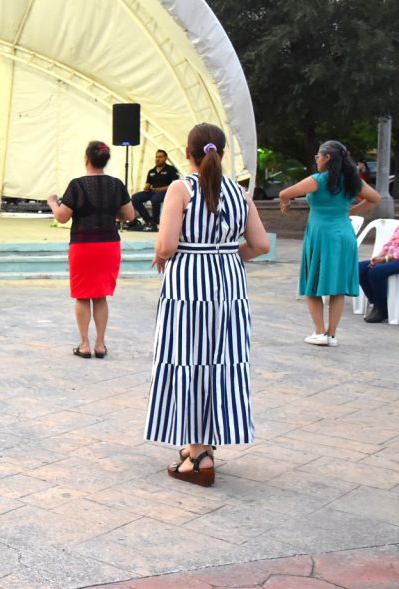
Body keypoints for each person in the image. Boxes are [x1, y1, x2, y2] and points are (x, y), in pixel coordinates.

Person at [144, 123, 270, 487]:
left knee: (189, 360)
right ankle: (205, 444)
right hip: (230, 286)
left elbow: (168, 245)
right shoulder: (239, 193)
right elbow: (260, 245)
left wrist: (161, 254)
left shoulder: (180, 189)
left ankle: (199, 456)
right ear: (222, 153)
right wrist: (227, 255)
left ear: (188, 153)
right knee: (222, 361)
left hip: (188, 286)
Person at [278, 140, 380, 346]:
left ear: (327, 158)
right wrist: (350, 211)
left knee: (312, 284)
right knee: (337, 287)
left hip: (321, 235)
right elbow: (375, 198)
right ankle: (331, 335)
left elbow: (284, 193)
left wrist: (285, 204)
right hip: (344, 235)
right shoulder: (352, 180)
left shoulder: (318, 180)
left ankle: (319, 332)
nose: (316, 159)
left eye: (318, 155)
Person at [47, 140, 134, 359]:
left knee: (83, 295)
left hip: (83, 245)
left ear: (86, 159)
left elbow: (62, 217)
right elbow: (130, 215)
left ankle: (84, 344)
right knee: (101, 296)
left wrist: (53, 203)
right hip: (109, 245)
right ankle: (100, 344)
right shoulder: (116, 184)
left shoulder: (77, 185)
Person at [358, 223, 399, 323]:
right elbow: (389, 243)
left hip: (394, 259)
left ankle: (381, 309)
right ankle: (377, 304)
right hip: (390, 259)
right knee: (360, 268)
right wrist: (377, 258)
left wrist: (385, 259)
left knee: (376, 272)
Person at [130, 149, 179, 231]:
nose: (157, 159)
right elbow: (148, 184)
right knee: (135, 197)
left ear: (165, 158)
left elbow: (174, 184)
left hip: (166, 192)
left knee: (155, 199)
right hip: (153, 192)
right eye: (156, 157)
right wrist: (146, 187)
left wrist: (160, 189)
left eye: (160, 157)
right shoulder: (151, 171)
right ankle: (148, 220)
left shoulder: (171, 169)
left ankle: (155, 222)